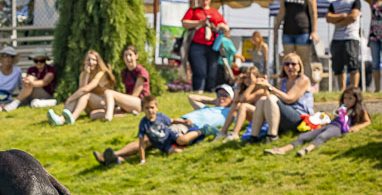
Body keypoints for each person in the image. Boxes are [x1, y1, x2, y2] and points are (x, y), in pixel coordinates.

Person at [93, 86, 233, 165]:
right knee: (150, 141)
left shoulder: (230, 112)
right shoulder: (206, 108)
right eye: (219, 94)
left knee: (150, 140)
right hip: (184, 122)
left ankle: (113, 156)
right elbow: (191, 97)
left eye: (225, 95)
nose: (221, 96)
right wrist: (214, 101)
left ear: (232, 99)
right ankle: (117, 158)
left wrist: (230, 102)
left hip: (191, 127)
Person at [265, 86, 371, 157]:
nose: (347, 101)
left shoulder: (359, 110)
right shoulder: (342, 108)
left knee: (323, 136)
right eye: (345, 98)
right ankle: (283, 149)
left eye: (350, 99)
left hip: (338, 128)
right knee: (304, 136)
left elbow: (367, 121)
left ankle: (307, 149)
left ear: (356, 99)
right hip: (331, 125)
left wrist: (357, 127)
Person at [246, 52, 314, 143]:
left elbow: (289, 99)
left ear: (299, 66)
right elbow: (270, 100)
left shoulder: (303, 79)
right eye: (287, 64)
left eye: (293, 64)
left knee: (271, 99)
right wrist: (264, 86)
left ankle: (272, 136)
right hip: (284, 116)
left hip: (300, 118)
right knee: (262, 100)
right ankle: (253, 136)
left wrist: (269, 87)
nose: (290, 67)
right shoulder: (283, 81)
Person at [47, 49, 115, 126]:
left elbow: (87, 89)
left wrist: (69, 99)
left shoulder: (101, 73)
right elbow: (81, 89)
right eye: (88, 60)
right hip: (91, 104)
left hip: (104, 103)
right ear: (84, 61)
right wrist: (86, 74)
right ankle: (61, 119)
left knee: (85, 96)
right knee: (80, 96)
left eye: (94, 60)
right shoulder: (83, 73)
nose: (91, 62)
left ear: (98, 62)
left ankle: (72, 118)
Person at [273, 0, 318, 78]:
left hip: (303, 31)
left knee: (304, 60)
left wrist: (314, 31)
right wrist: (275, 31)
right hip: (288, 31)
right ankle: (287, 84)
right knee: (288, 60)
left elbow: (313, 14)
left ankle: (306, 86)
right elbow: (281, 12)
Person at [182, 0, 230, 92]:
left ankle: (210, 92)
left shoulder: (215, 12)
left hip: (213, 46)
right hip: (197, 45)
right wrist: (200, 22)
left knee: (212, 72)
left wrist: (221, 26)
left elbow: (226, 27)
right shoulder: (193, 11)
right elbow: (184, 23)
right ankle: (198, 91)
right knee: (200, 71)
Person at [95, 45, 150, 122]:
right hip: (129, 103)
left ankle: (108, 117)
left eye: (130, 55)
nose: (128, 58)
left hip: (140, 103)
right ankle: (121, 114)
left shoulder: (141, 72)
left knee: (108, 92)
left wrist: (120, 101)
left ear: (136, 56)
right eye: (125, 55)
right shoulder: (124, 72)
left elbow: (135, 95)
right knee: (93, 114)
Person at [326, 0, 362, 89]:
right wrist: (342, 16)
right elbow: (328, 18)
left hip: (351, 37)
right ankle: (342, 91)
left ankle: (353, 90)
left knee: (353, 65)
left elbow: (353, 16)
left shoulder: (354, 0)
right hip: (337, 38)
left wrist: (337, 21)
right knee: (338, 66)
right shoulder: (334, 3)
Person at [215, 66, 263, 141]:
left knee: (243, 106)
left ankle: (235, 134)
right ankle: (223, 132)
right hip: (253, 115)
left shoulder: (261, 89)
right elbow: (235, 100)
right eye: (245, 78)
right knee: (236, 105)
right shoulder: (245, 89)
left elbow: (244, 99)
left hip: (262, 116)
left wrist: (253, 84)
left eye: (250, 78)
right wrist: (237, 85)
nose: (247, 80)